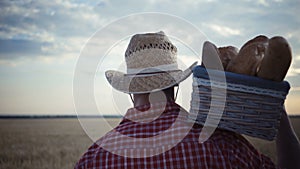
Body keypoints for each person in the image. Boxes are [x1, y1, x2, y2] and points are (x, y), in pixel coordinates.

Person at [74, 31, 298, 169]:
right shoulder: (220, 142)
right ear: (176, 84)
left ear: (131, 91)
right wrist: (272, 103)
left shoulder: (95, 158)